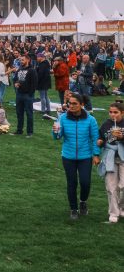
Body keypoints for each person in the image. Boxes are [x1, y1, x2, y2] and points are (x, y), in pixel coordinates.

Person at [52, 92, 100, 220]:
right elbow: (58, 136)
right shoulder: (63, 118)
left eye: (74, 104)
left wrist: (96, 154)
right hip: (68, 156)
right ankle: (73, 209)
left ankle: (83, 201)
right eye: (70, 103)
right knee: (71, 183)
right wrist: (55, 132)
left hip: (85, 156)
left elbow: (95, 138)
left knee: (85, 182)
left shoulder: (91, 119)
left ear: (82, 105)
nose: (71, 106)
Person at [96, 101, 124, 223]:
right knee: (111, 187)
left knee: (123, 186)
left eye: (116, 112)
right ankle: (113, 213)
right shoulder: (106, 124)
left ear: (122, 113)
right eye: (111, 112)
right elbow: (100, 138)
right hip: (110, 157)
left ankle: (122, 207)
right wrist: (100, 142)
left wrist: (122, 138)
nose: (113, 115)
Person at [13, 55, 37, 137]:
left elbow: (34, 84)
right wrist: (16, 83)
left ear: (28, 60)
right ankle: (19, 130)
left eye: (23, 60)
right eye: (20, 60)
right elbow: (15, 78)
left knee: (29, 114)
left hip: (27, 95)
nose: (21, 61)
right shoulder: (19, 69)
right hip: (19, 94)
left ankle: (30, 132)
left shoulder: (32, 70)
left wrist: (30, 94)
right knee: (19, 113)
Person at [35, 52, 52, 118]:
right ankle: (48, 109)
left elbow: (40, 74)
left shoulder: (43, 64)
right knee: (45, 96)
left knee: (42, 97)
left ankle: (43, 110)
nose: (37, 58)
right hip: (46, 82)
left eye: (38, 57)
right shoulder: (45, 63)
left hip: (42, 82)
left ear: (41, 57)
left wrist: (37, 81)